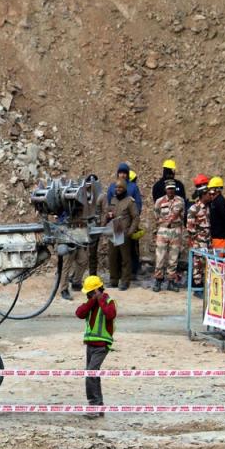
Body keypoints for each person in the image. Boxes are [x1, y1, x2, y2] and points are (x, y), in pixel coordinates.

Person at [76, 275, 116, 418]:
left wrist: (101, 300)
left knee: (90, 373)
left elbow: (110, 314)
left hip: (102, 345)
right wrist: (92, 301)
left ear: (97, 290)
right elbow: (79, 313)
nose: (87, 294)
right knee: (94, 375)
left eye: (90, 292)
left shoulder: (109, 302)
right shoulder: (90, 303)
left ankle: (93, 405)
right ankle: (98, 406)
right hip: (90, 345)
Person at [106, 179, 139, 290]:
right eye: (116, 187)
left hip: (124, 232)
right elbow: (108, 213)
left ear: (125, 188)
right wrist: (108, 216)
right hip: (114, 230)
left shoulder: (130, 201)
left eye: (120, 187)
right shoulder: (113, 199)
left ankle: (125, 281)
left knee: (125, 258)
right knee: (113, 257)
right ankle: (114, 280)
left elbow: (135, 218)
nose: (117, 189)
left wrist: (130, 232)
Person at [152, 180, 185, 292]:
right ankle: (158, 280)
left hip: (175, 231)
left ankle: (171, 281)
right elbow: (156, 215)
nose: (171, 190)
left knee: (173, 258)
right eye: (169, 188)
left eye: (172, 188)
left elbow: (182, 216)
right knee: (160, 257)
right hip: (163, 230)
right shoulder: (159, 201)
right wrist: (163, 223)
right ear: (165, 189)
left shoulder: (180, 201)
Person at [186, 177, 213, 292]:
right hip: (198, 242)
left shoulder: (208, 207)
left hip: (207, 242)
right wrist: (197, 240)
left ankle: (203, 287)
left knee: (206, 265)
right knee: (197, 266)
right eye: (208, 194)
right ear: (202, 195)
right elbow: (190, 227)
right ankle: (197, 288)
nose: (210, 196)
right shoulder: (194, 209)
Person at [88, 174, 109, 277]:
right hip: (84, 226)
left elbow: (105, 212)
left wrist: (101, 227)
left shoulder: (101, 196)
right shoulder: (84, 195)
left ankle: (92, 275)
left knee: (92, 253)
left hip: (95, 228)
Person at [207, 176, 225, 251]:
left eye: (212, 189)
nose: (210, 191)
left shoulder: (220, 201)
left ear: (217, 189)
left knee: (218, 258)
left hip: (220, 235)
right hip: (215, 235)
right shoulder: (214, 201)